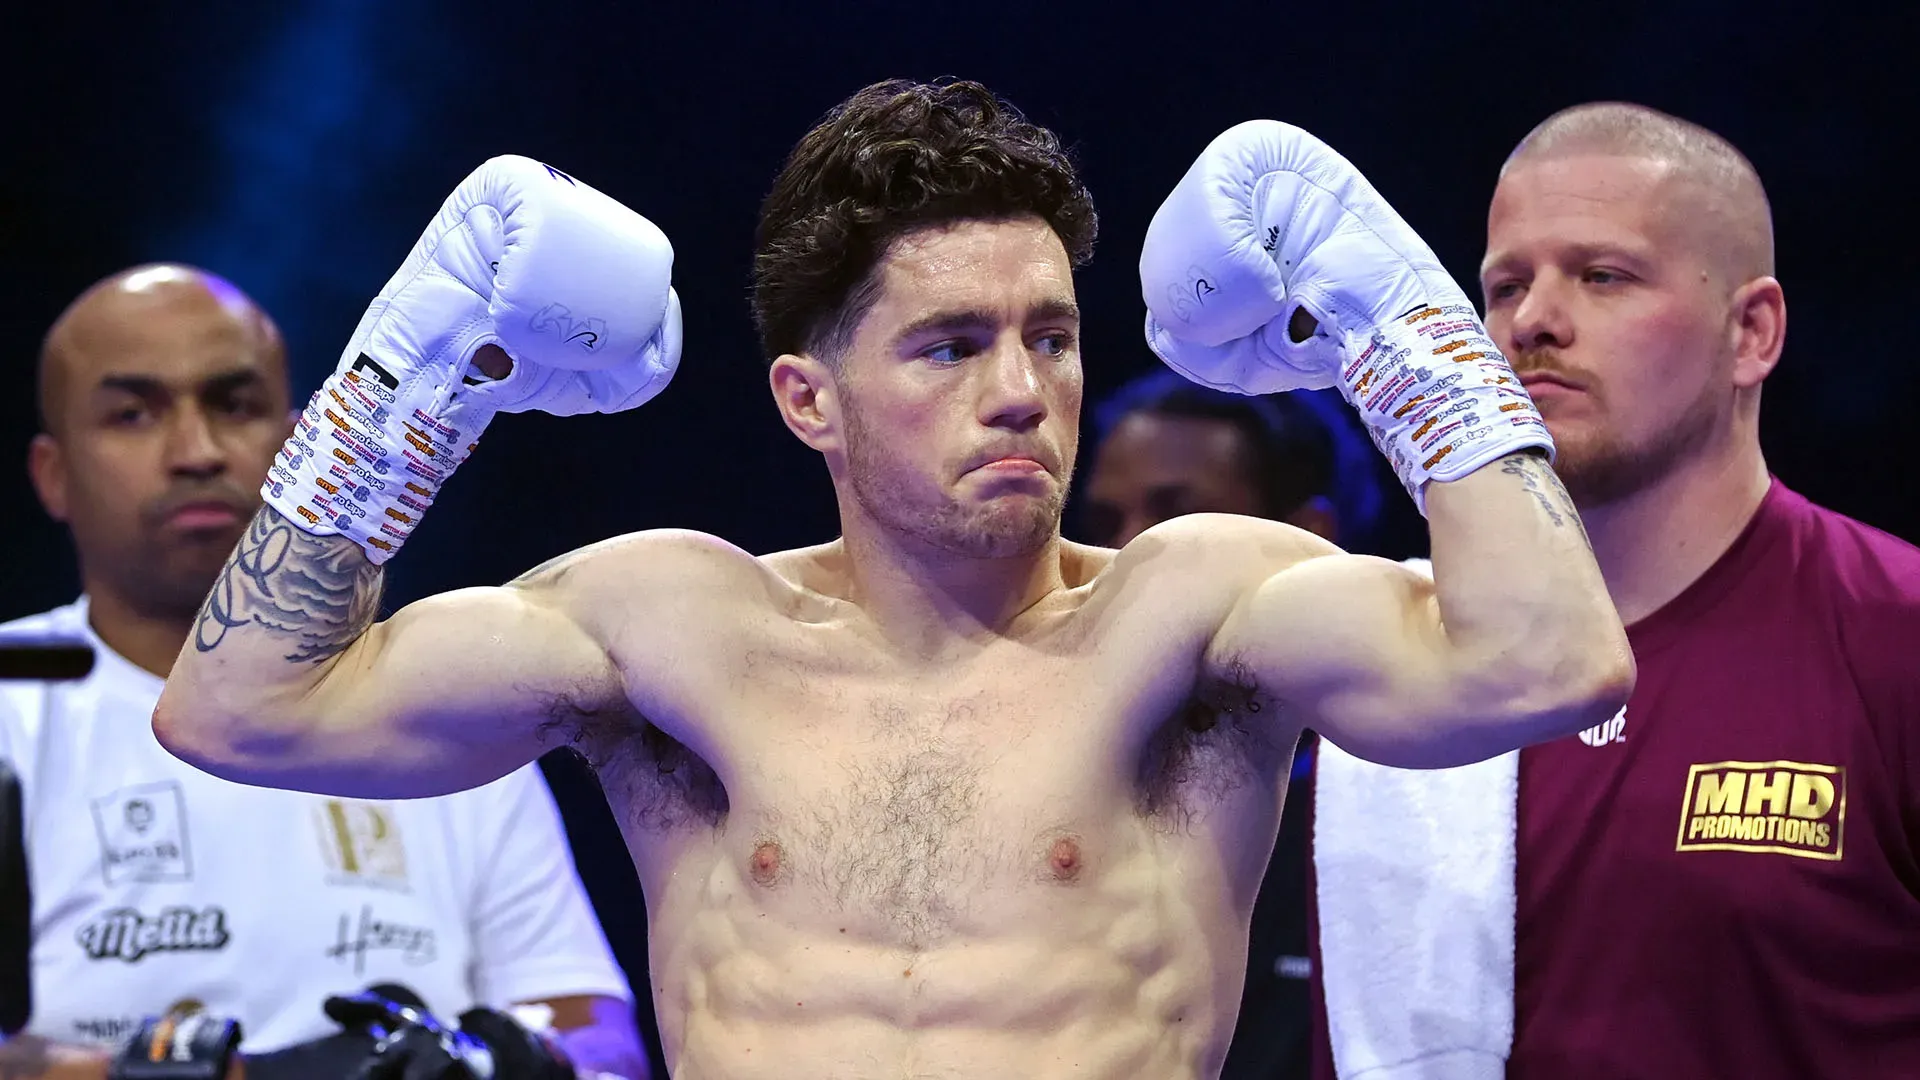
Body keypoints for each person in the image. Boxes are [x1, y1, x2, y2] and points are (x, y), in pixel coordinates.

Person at [151, 79, 1633, 1080]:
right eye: (950, 346)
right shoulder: (674, 628)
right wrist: (419, 383)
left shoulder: (1195, 610)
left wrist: (1398, 329)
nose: (1021, 391)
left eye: (1050, 336)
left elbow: (1548, 661)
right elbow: (239, 710)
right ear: (810, 400)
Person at [1306, 103, 1920, 1080]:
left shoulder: (1896, 636)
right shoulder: (1395, 658)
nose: (1532, 321)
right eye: (1506, 286)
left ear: (1751, 332)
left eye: (1603, 275)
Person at [0, 265, 649, 1080]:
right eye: (133, 414)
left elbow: (602, 1042)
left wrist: (489, 1063)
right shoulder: (10, 709)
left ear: (298, 444)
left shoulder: (446, 699)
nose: (196, 452)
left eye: (234, 405)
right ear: (53, 474)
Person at [1079, 369, 1382, 1080]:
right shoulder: (1058, 780)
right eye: (1106, 522)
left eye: (1174, 524)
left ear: (1306, 538)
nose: (1125, 557)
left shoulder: (1401, 804)